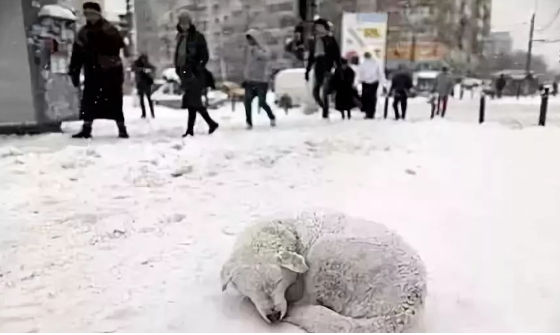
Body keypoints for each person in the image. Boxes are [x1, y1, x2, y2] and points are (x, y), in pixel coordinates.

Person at [69, 2, 128, 139]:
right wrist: (74, 71)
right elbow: (76, 53)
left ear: (98, 14)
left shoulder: (110, 29)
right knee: (89, 101)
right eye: (87, 14)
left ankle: (122, 128)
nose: (89, 17)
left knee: (114, 102)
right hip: (92, 72)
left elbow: (117, 46)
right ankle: (86, 128)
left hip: (110, 73)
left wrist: (99, 39)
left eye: (92, 14)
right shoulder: (83, 32)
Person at [175, 11, 219, 138]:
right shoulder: (180, 37)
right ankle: (193, 129)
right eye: (182, 23)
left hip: (195, 73)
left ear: (190, 23)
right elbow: (178, 56)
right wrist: (178, 70)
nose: (184, 26)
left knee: (194, 101)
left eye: (186, 23)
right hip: (184, 72)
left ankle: (210, 123)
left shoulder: (198, 37)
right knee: (191, 102)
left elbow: (204, 55)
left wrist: (198, 67)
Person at [305, 18, 341, 119]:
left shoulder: (330, 39)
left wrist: (338, 66)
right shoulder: (315, 40)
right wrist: (307, 70)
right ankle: (324, 107)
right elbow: (311, 57)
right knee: (315, 91)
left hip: (327, 66)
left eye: (319, 26)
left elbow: (336, 54)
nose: (317, 28)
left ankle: (325, 112)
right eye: (316, 27)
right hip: (318, 66)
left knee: (325, 90)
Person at [243, 29, 276, 129]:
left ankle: (272, 117)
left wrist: (256, 52)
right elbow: (247, 64)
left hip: (261, 80)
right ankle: (249, 122)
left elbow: (267, 57)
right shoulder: (248, 50)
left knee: (262, 102)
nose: (250, 41)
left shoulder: (263, 48)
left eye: (251, 39)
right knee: (247, 101)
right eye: (248, 39)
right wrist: (246, 75)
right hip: (250, 80)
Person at [358, 52, 385, 119]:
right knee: (372, 98)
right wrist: (383, 81)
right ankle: (371, 113)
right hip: (374, 83)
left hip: (365, 83)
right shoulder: (376, 63)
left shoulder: (362, 64)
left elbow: (361, 73)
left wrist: (360, 80)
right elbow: (380, 73)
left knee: (365, 97)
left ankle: (367, 112)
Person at [132, 53, 156, 118]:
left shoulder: (147, 64)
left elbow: (153, 68)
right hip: (141, 83)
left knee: (149, 99)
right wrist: (142, 70)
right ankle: (144, 113)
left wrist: (149, 71)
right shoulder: (137, 64)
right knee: (142, 100)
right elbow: (133, 68)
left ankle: (152, 113)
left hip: (146, 83)